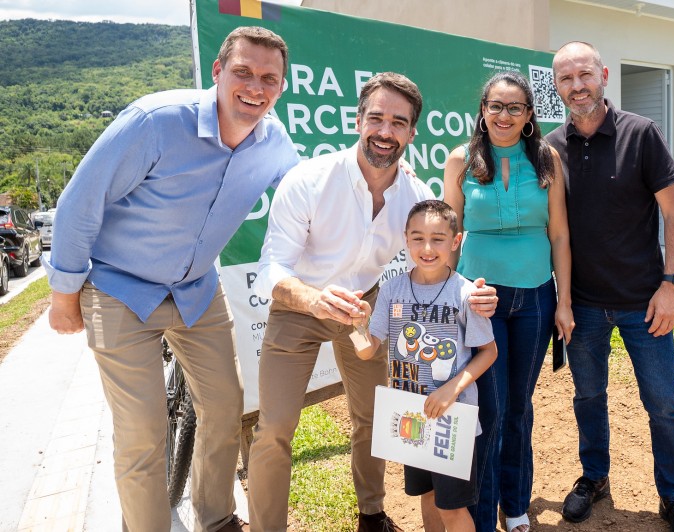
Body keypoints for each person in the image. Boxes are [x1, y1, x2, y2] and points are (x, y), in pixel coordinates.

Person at [42, 26, 298, 532]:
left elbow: (306, 199)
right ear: (219, 72)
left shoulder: (274, 142)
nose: (255, 86)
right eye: (243, 72)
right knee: (143, 432)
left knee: (225, 408)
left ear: (281, 87)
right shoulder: (155, 121)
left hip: (198, 289)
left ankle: (217, 518)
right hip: (120, 289)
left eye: (269, 78)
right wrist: (64, 295)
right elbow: (78, 205)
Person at [247, 72, 498, 532]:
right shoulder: (309, 179)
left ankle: (372, 513)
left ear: (411, 133)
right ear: (358, 120)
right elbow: (272, 269)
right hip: (299, 305)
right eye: (377, 118)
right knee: (275, 428)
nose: (385, 131)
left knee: (373, 417)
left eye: (398, 122)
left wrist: (473, 291)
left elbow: (440, 251)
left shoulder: (415, 195)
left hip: (367, 306)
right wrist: (313, 298)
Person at [546, 41, 674, 532]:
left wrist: (671, 284)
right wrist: (563, 299)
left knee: (662, 402)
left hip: (643, 302)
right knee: (588, 397)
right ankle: (595, 477)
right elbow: (555, 231)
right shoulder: (551, 147)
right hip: (585, 306)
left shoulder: (642, 133)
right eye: (566, 79)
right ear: (557, 86)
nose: (577, 86)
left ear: (604, 75)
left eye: (584, 74)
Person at [443, 70, 574, 532]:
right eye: (495, 106)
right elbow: (449, 237)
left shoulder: (546, 159)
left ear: (529, 116)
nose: (503, 115)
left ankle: (515, 505)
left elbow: (558, 235)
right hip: (479, 300)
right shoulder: (461, 160)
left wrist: (564, 303)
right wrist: (446, 295)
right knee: (488, 407)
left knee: (519, 404)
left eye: (514, 107)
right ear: (482, 111)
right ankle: (482, 511)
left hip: (536, 298)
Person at [355, 199, 499, 532]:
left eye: (437, 238)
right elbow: (367, 350)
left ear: (455, 241)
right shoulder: (391, 290)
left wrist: (452, 389)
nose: (427, 247)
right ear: (406, 239)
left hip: (452, 422)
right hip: (411, 417)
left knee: (453, 509)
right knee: (429, 497)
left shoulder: (466, 294)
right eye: (418, 238)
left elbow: (488, 352)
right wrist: (355, 324)